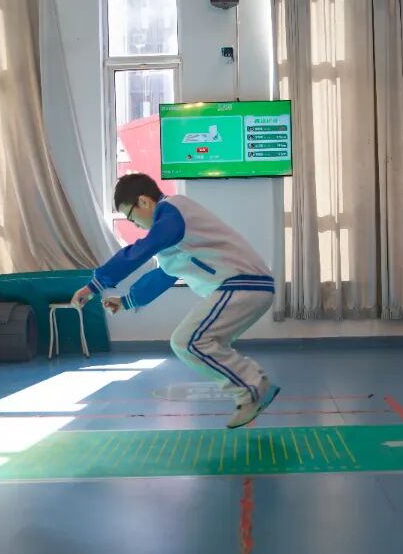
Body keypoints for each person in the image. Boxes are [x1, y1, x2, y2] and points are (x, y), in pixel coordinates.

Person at [71, 173, 279, 428]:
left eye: (131, 217)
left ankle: (252, 389)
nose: (135, 225)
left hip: (242, 284)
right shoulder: (174, 232)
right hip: (246, 287)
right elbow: (164, 275)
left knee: (188, 341)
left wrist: (95, 285)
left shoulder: (173, 210)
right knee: (204, 343)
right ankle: (252, 390)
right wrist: (126, 301)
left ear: (144, 201)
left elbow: (139, 251)